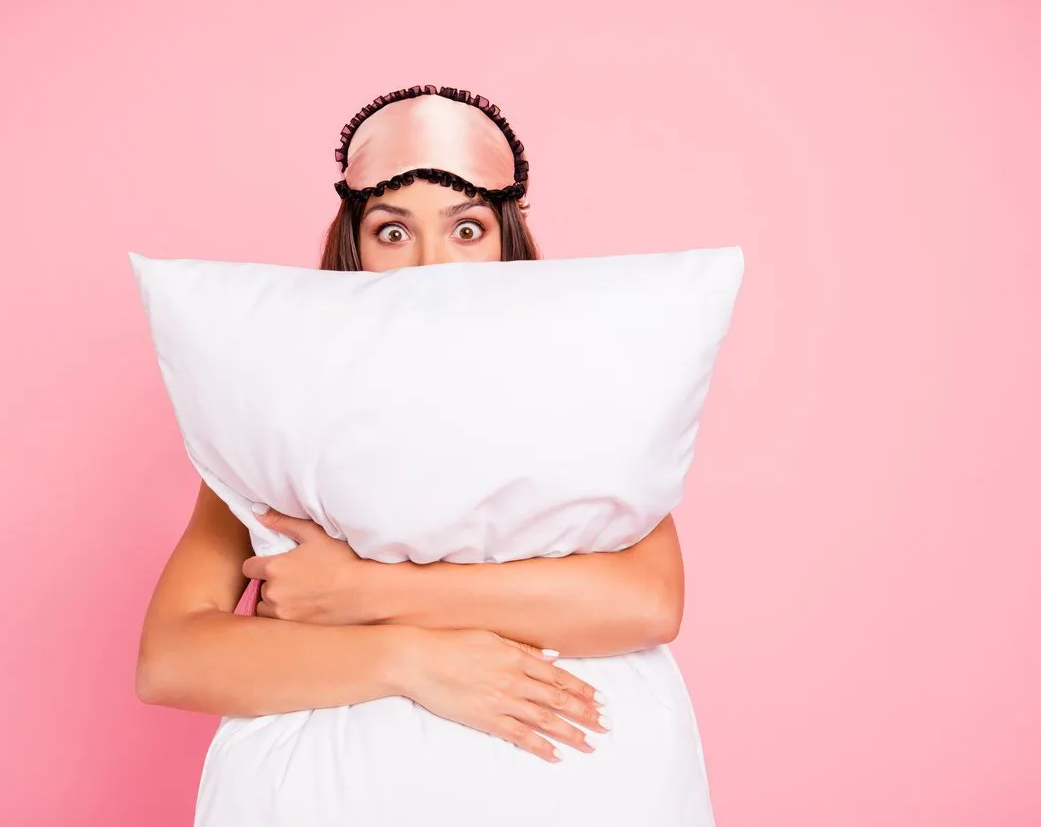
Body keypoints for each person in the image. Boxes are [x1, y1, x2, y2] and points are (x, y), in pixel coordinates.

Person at [136, 85, 714, 826]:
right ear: (354, 246)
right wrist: (411, 660)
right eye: (394, 231)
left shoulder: (572, 398)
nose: (433, 264)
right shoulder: (280, 424)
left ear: (509, 241)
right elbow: (170, 659)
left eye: (466, 229)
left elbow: (647, 601)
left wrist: (366, 593)